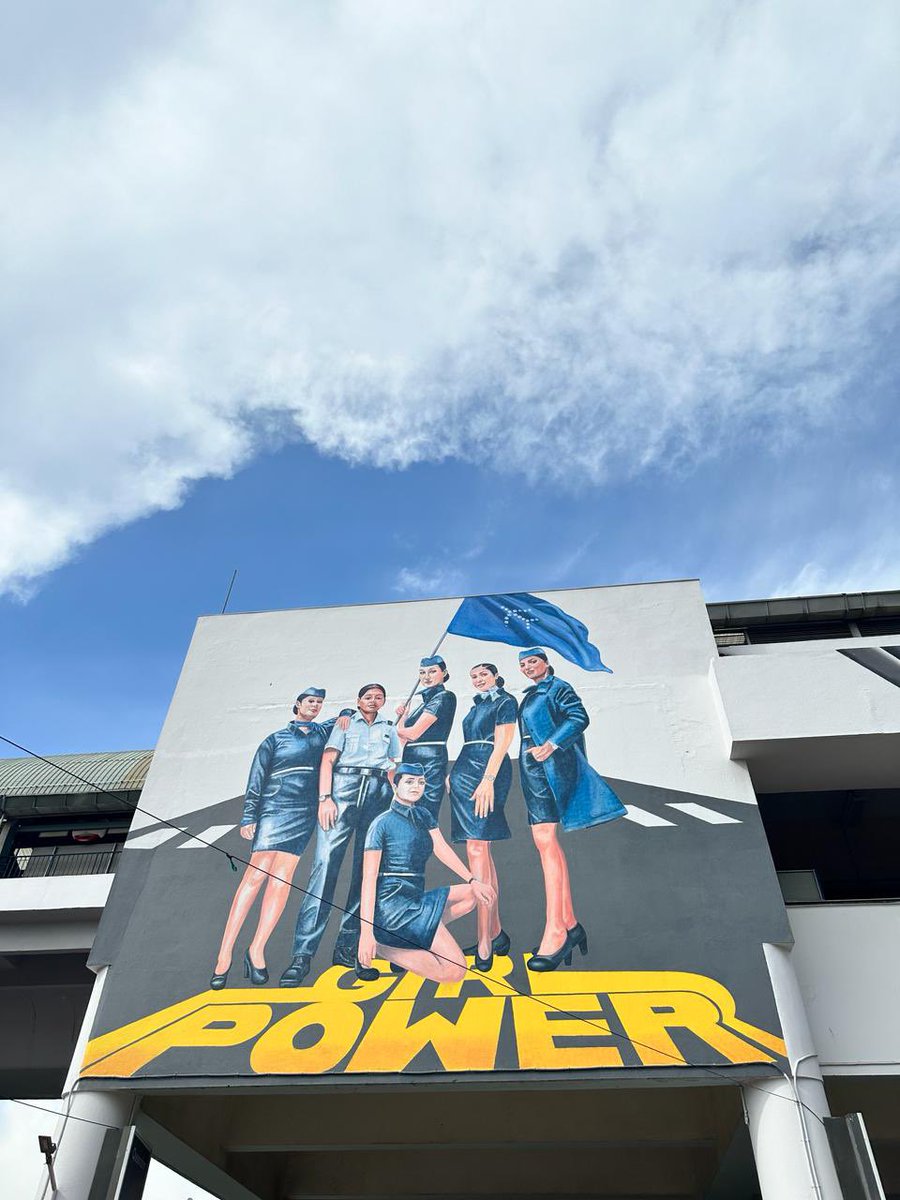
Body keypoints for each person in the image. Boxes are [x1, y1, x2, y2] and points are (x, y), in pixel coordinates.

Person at [210, 688, 350, 989]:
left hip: (303, 811)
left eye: (319, 703)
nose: (315, 705)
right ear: (297, 705)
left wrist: (344, 716)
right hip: (275, 807)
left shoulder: (321, 733)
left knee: (282, 880)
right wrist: (250, 815)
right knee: (255, 877)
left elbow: (345, 715)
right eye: (310, 701)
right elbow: (256, 778)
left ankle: (257, 949)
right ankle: (224, 954)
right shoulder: (274, 740)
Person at [280, 683, 401, 986]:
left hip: (378, 792)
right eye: (368, 696)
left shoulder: (389, 727)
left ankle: (348, 949)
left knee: (366, 874)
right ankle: (302, 955)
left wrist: (396, 800)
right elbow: (328, 761)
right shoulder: (344, 722)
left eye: (379, 697)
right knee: (324, 870)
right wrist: (325, 798)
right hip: (344, 790)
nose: (374, 700)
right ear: (358, 700)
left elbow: (392, 766)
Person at [517, 647, 626, 972]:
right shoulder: (530, 694)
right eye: (522, 664)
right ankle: (571, 925)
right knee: (543, 842)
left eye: (532, 661)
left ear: (546, 663)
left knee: (547, 841)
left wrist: (551, 745)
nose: (527, 667)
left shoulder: (558, 686)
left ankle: (556, 931)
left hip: (551, 763)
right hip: (531, 765)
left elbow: (579, 717)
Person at [358, 763, 496, 983]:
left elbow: (442, 850)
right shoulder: (381, 823)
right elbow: (368, 880)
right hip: (393, 906)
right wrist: (366, 933)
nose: (416, 786)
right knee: (455, 972)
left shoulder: (422, 815)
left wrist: (473, 880)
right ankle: (384, 948)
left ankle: (407, 940)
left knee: (472, 895)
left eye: (421, 782)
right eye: (409, 782)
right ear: (396, 785)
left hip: (416, 899)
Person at [448, 662, 517, 971]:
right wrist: (453, 774)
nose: (477, 680)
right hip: (464, 772)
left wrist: (487, 780)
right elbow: (467, 744)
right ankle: (495, 932)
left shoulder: (505, 701)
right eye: (473, 676)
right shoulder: (474, 707)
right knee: (480, 853)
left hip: (488, 773)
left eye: (483, 675)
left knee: (477, 850)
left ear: (495, 676)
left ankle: (484, 942)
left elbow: (502, 743)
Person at [396, 655, 457, 821]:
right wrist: (403, 717)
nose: (426, 676)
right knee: (410, 813)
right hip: (411, 760)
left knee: (424, 812)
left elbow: (413, 733)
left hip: (429, 761)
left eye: (432, 671)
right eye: (422, 673)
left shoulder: (444, 697)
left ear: (444, 673)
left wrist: (392, 729)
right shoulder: (423, 705)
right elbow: (403, 740)